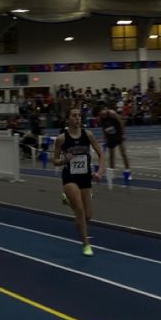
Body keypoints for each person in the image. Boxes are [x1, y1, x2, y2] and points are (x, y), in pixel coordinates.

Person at [53, 105, 105, 256]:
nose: (77, 118)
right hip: (70, 177)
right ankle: (86, 244)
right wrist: (63, 160)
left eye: (79, 116)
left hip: (85, 177)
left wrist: (100, 172)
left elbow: (102, 154)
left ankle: (67, 200)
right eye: (74, 116)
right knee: (80, 211)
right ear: (68, 118)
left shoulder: (87, 135)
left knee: (87, 215)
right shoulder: (61, 138)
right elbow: (54, 160)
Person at [97, 106, 131, 179]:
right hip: (110, 137)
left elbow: (121, 122)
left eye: (103, 113)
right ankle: (112, 172)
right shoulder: (101, 118)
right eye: (101, 114)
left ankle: (128, 171)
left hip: (118, 135)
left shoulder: (112, 113)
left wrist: (123, 134)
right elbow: (103, 129)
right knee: (111, 156)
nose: (103, 115)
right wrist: (105, 139)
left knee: (123, 153)